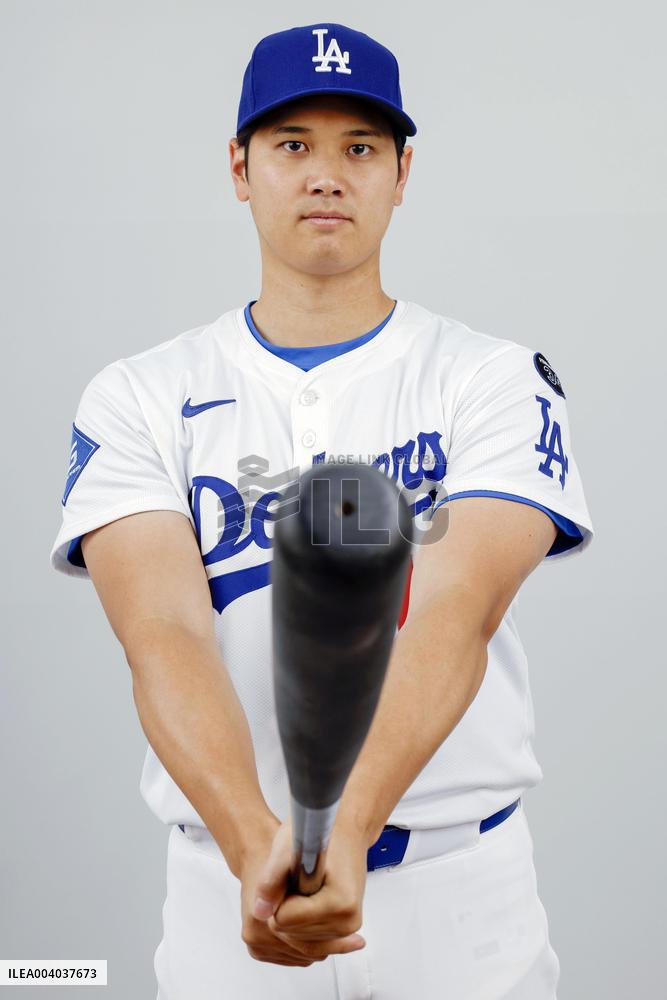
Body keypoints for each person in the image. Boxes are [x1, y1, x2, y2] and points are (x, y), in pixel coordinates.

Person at [50, 21, 593, 1000]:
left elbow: (455, 609)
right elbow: (162, 633)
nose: (326, 174)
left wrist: (343, 829)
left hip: (456, 897)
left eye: (359, 147)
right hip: (230, 896)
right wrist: (258, 844)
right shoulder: (137, 395)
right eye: (292, 144)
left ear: (400, 172)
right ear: (239, 166)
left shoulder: (492, 379)